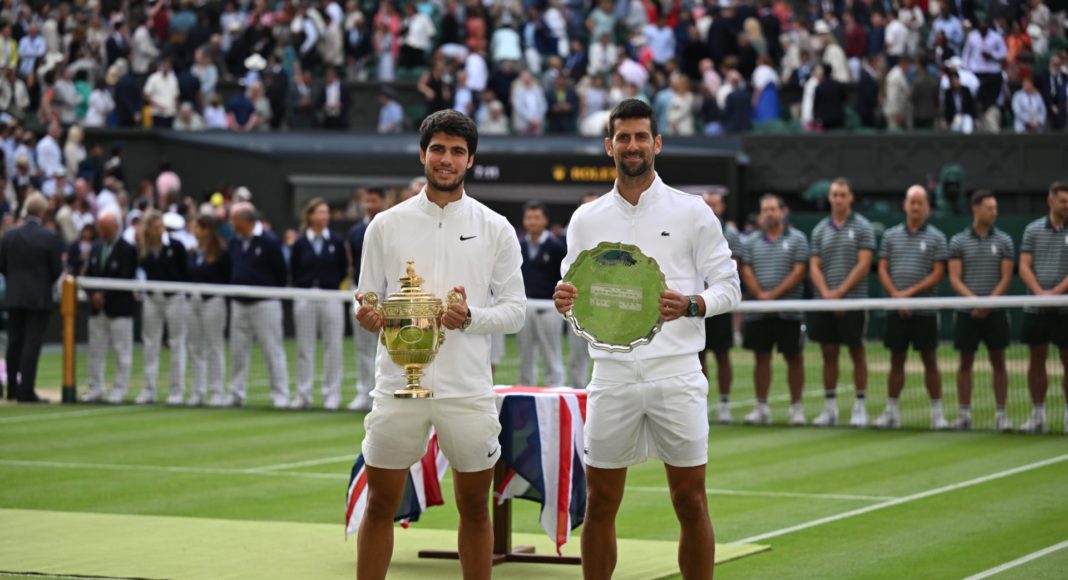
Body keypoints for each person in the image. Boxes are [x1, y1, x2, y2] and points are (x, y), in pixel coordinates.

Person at [553, 99, 739, 580]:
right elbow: (575, 290)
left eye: (640, 137)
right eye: (623, 137)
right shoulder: (586, 219)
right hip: (611, 376)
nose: (631, 146)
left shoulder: (693, 211)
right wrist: (565, 298)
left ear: (657, 143)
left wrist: (693, 304)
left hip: (676, 372)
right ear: (608, 145)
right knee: (600, 503)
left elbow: (729, 286)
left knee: (690, 500)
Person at [353, 109, 525, 579]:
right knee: (380, 504)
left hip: (467, 389)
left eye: (456, 151)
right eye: (438, 150)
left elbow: (516, 310)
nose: (445, 159)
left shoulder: (496, 227)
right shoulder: (385, 225)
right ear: (423, 154)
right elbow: (367, 298)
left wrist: (470, 317)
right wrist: (367, 315)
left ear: (470, 160)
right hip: (395, 384)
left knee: (474, 508)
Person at [875, 186, 949, 430]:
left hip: (924, 311)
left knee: (930, 360)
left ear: (927, 206)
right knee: (896, 360)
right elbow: (883, 268)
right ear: (905, 205)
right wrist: (897, 296)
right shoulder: (890, 236)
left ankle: (938, 413)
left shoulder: (937, 237)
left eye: (920, 203)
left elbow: (938, 273)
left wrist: (909, 295)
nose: (916, 207)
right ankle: (891, 411)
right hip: (897, 310)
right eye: (912, 203)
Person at [807, 178, 876, 427]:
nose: (838, 199)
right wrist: (827, 294)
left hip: (854, 302)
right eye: (834, 195)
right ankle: (830, 408)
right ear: (830, 198)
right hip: (825, 302)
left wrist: (840, 293)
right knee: (828, 354)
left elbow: (864, 264)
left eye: (842, 195)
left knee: (857, 351)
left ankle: (860, 406)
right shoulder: (819, 230)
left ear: (850, 198)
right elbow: (814, 265)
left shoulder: (864, 227)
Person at [739, 194, 810, 426]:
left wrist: (773, 296)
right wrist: (761, 295)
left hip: (789, 310)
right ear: (761, 215)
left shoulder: (798, 239)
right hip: (759, 312)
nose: (769, 213)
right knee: (761, 358)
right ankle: (761, 408)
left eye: (773, 209)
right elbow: (746, 270)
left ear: (782, 212)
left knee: (794, 357)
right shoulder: (749, 242)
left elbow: (799, 271)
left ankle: (797, 409)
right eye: (765, 210)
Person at [947, 190, 1015, 432]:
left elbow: (1006, 278)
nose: (993, 212)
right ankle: (964, 414)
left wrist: (988, 303)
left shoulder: (1005, 240)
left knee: (999, 362)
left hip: (995, 313)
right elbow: (955, 278)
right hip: (967, 313)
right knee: (965, 362)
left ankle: (1001, 415)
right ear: (975, 209)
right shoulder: (957, 241)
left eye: (995, 208)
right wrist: (974, 302)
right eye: (989, 208)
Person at [227, 201, 290, 408]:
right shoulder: (235, 242)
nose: (231, 223)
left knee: (273, 351)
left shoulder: (269, 241)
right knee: (237, 351)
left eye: (234, 219)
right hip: (238, 304)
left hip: (265, 305)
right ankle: (236, 393)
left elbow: (281, 273)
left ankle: (280, 395)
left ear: (244, 220)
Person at [0, 193, 62, 402]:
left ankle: (12, 390)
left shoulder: (9, 235)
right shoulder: (49, 237)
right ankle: (26, 391)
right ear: (43, 212)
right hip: (38, 299)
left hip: (14, 297)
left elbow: (2, 266)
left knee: (14, 343)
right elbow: (57, 270)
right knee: (31, 344)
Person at [1018, 182, 1068, 434]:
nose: (1067, 205)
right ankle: (1038, 415)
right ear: (1051, 202)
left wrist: (1055, 295)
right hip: (1036, 309)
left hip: (1065, 309)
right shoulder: (1033, 230)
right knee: (1036, 360)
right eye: (1063, 201)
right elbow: (1024, 266)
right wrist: (1040, 294)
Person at [290, 197, 348, 410]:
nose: (324, 216)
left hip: (331, 297)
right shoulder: (300, 242)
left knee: (333, 346)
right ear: (310, 216)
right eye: (320, 212)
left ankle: (331, 396)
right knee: (305, 348)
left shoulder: (335, 241)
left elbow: (342, 268)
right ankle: (303, 395)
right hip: (305, 297)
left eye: (326, 212)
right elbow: (294, 269)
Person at [82, 208, 137, 403]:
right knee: (96, 351)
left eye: (106, 229)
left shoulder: (128, 249)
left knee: (122, 352)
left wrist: (104, 295)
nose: (103, 233)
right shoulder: (96, 247)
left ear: (116, 227)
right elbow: (88, 275)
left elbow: (125, 277)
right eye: (101, 229)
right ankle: (95, 388)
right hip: (98, 310)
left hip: (119, 309)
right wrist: (93, 295)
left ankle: (119, 390)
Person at [136, 210, 189, 405]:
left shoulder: (176, 246)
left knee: (176, 343)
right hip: (152, 298)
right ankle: (148, 390)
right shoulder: (142, 249)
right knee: (150, 343)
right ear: (149, 229)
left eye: (162, 226)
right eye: (156, 227)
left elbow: (185, 272)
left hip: (175, 298)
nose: (161, 230)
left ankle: (176, 391)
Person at [700, 190, 741, 423]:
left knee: (722, 354)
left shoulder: (731, 234)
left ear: (722, 207)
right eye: (707, 204)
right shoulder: (695, 230)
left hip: (721, 303)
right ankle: (702, 403)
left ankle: (725, 403)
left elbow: (735, 269)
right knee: (699, 355)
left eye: (715, 204)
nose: (711, 208)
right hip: (697, 301)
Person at [517, 200, 567, 386]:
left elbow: (563, 275)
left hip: (548, 305)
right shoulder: (519, 244)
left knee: (551, 353)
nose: (532, 221)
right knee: (525, 355)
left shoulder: (556, 246)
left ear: (545, 220)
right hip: (525, 304)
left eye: (537, 217)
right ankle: (525, 391)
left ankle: (556, 390)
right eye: (529, 217)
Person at [346, 187, 387, 412]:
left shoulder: (392, 224)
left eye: (374, 200)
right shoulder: (355, 231)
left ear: (382, 201)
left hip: (389, 295)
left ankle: (384, 393)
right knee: (363, 346)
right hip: (362, 294)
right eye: (366, 201)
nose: (370, 205)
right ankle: (364, 393)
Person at [188, 215, 231, 407]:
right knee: (195, 348)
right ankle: (197, 392)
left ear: (207, 230)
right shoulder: (192, 252)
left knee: (215, 347)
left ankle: (216, 392)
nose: (194, 231)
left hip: (214, 301)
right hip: (193, 301)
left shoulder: (222, 253)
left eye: (197, 227)